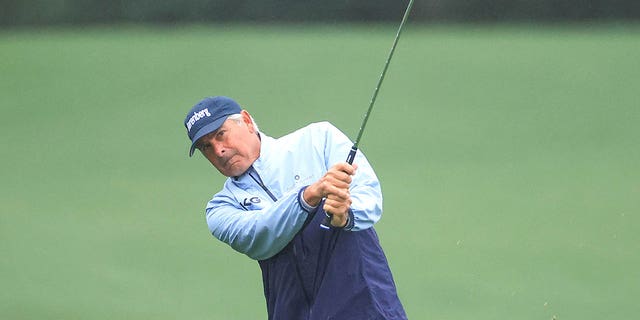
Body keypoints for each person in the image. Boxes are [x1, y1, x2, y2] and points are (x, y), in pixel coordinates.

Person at [184, 96, 407, 320]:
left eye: (221, 134)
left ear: (247, 121)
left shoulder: (319, 139)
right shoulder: (221, 207)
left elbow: (368, 194)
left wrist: (347, 215)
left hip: (365, 307)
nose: (218, 151)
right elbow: (259, 233)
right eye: (206, 147)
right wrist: (309, 195)